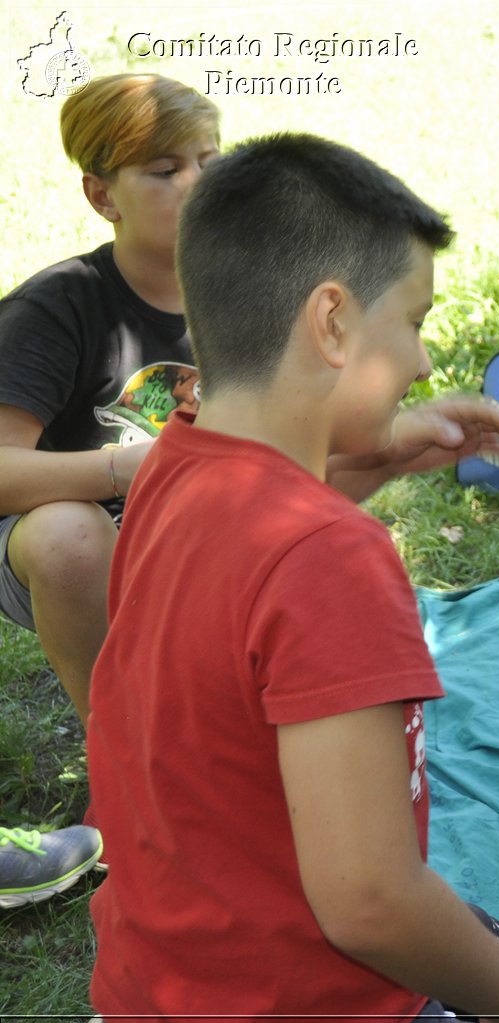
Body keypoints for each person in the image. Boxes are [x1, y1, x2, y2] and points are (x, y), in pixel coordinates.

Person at [86, 133, 499, 1023]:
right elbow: (371, 901)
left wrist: (380, 449)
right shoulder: (333, 560)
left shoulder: (173, 467)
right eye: (414, 321)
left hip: (161, 1005)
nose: (423, 363)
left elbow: (257, 564)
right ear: (333, 322)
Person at [0, 73, 218, 908]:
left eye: (208, 159)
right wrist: (125, 470)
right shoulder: (60, 306)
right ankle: (125, 778)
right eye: (164, 169)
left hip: (195, 545)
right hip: (67, 556)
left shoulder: (244, 296)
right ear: (102, 196)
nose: (195, 185)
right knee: (68, 532)